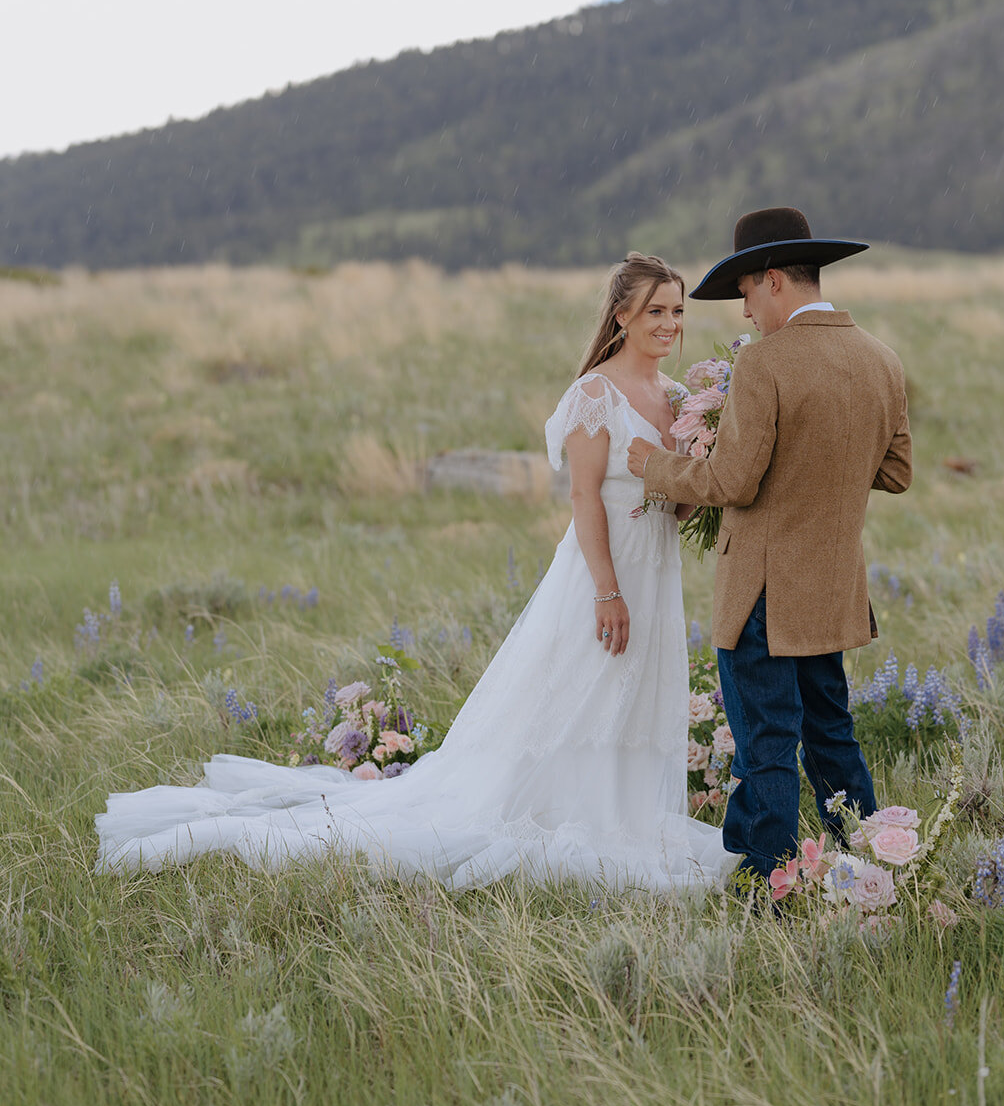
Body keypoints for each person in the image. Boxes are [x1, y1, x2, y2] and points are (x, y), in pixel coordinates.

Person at [96, 252, 739, 892]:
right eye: (655, 310)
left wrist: (691, 455)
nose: (668, 323)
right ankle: (558, 812)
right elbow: (583, 499)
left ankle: (623, 816)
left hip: (655, 572)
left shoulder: (679, 398)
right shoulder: (595, 395)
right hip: (604, 573)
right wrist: (607, 590)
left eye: (677, 312)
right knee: (583, 689)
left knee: (632, 693)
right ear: (622, 315)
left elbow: (679, 502)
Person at [626, 209, 912, 888]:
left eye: (748, 294)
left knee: (768, 747)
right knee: (832, 736)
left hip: (761, 594)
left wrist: (653, 466)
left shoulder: (764, 365)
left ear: (775, 280)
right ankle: (874, 869)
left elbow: (732, 481)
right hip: (832, 588)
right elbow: (896, 472)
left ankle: (770, 889)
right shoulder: (881, 357)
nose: (747, 312)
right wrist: (827, 464)